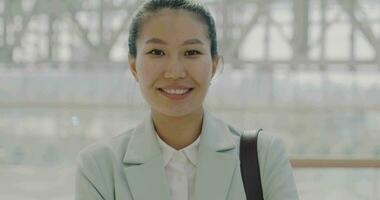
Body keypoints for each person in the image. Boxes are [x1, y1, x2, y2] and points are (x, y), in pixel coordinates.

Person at [75, 0, 299, 199]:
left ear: (213, 65)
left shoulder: (263, 157)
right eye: (157, 52)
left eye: (191, 52)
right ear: (134, 67)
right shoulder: (100, 167)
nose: (174, 72)